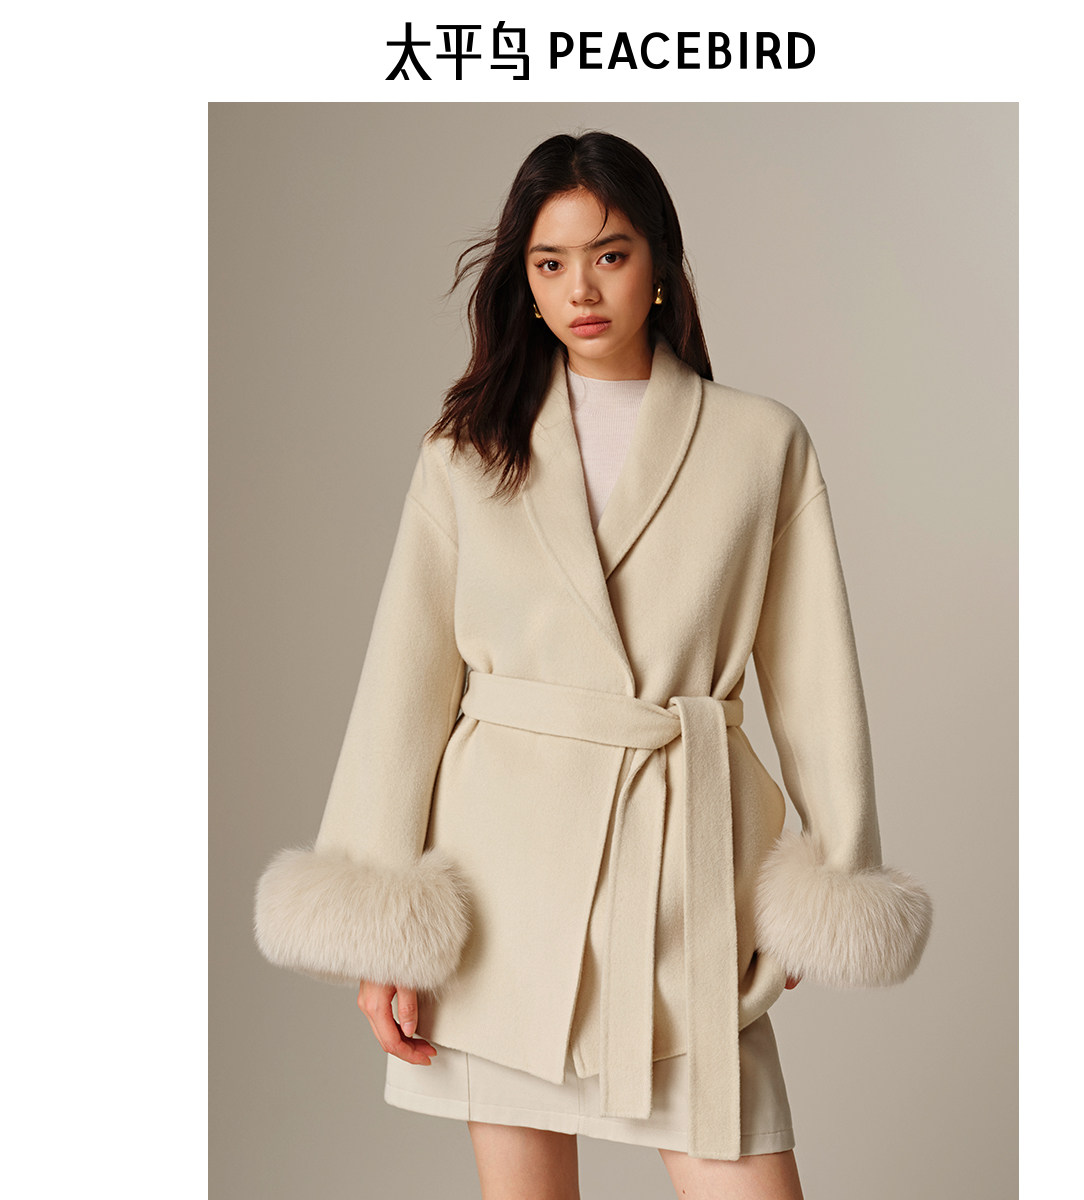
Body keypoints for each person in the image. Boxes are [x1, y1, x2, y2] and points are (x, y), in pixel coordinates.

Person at [254, 130, 934, 1200]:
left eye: (610, 255)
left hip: (682, 878)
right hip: (502, 889)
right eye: (551, 261)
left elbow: (813, 678)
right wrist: (382, 926)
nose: (581, 288)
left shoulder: (761, 444)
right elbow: (404, 681)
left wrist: (833, 875)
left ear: (659, 263)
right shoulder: (467, 450)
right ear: (523, 281)